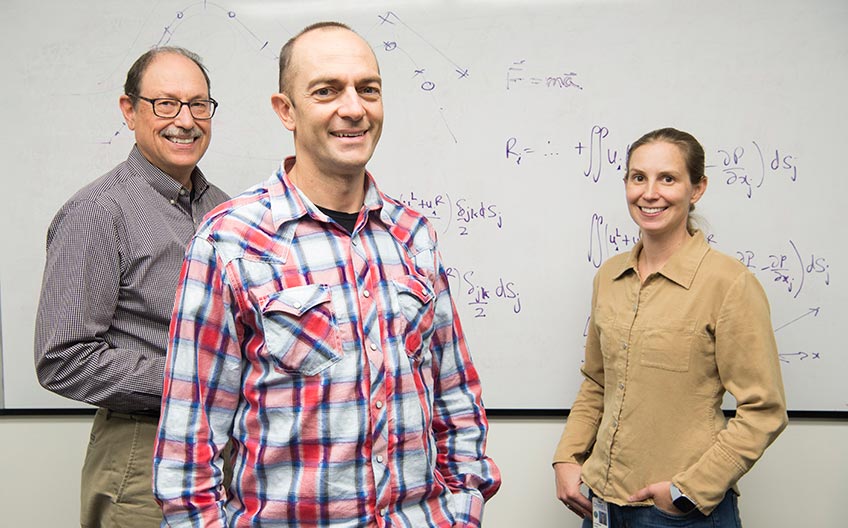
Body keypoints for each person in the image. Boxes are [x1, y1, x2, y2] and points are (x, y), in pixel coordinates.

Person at [153, 21, 501, 528]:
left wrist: (462, 508)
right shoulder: (230, 240)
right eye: (327, 91)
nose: (354, 107)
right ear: (286, 111)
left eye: (368, 89)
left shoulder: (413, 236)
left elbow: (455, 398)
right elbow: (190, 438)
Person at [552, 128, 788, 527]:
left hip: (681, 514)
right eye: (638, 177)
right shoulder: (609, 277)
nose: (649, 192)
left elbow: (764, 410)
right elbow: (597, 381)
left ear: (697, 189)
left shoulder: (728, 283)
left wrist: (687, 492)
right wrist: (567, 456)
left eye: (668, 178)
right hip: (602, 506)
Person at [34, 47, 229, 527]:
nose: (185, 120)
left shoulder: (226, 210)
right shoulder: (99, 212)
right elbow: (62, 358)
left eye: (198, 104)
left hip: (228, 450)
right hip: (143, 453)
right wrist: (194, 380)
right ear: (130, 111)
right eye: (166, 104)